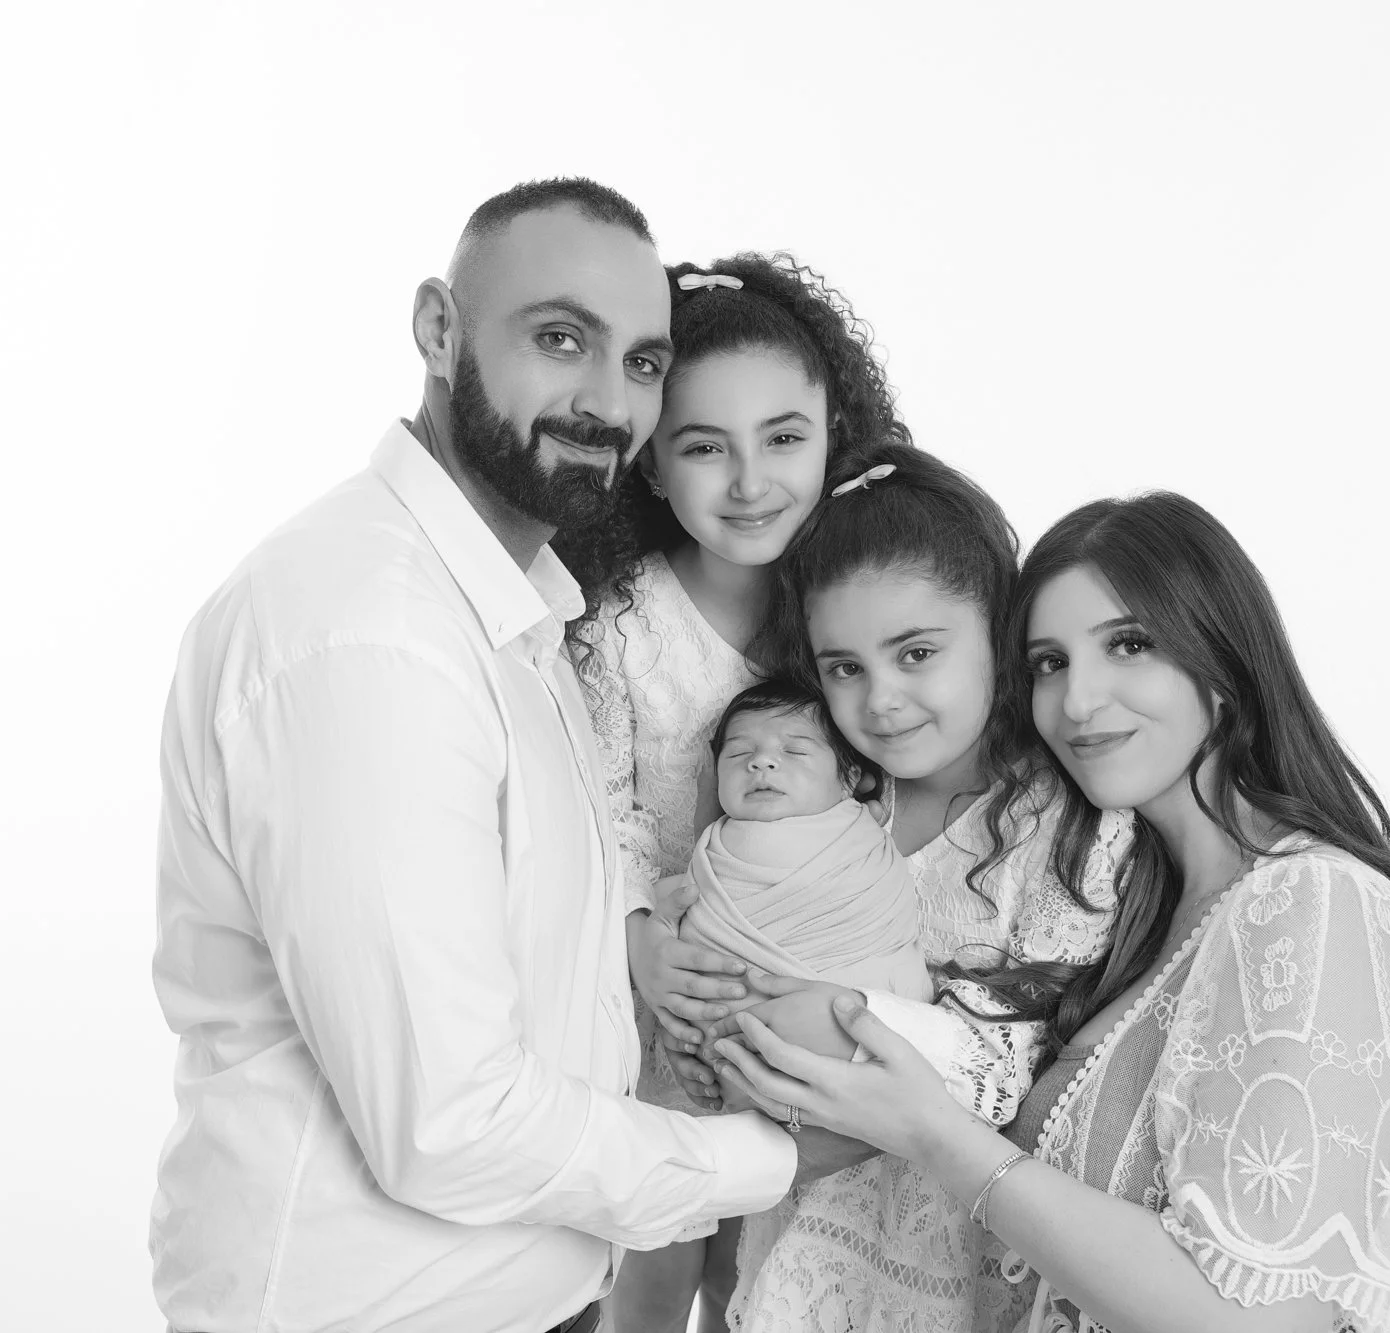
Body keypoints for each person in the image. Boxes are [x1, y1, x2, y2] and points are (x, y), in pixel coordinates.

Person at [147, 178, 855, 1333]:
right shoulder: (372, 636)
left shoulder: (507, 612)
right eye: (559, 338)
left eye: (638, 363)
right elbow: (450, 1121)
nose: (604, 400)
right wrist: (776, 1156)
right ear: (438, 328)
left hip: (527, 1291)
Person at [711, 492, 1390, 1333]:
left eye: (1129, 645)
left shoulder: (1313, 902)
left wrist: (932, 1130)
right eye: (1049, 662)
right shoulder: (1138, 911)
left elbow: (1266, 1320)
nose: (1077, 700)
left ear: (1222, 655)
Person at [658, 443, 1127, 1332]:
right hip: (788, 1250)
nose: (880, 699)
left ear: (998, 629)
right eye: (845, 667)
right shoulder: (826, 797)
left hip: (954, 1270)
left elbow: (1040, 1069)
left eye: (916, 653)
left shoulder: (1058, 823)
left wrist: (836, 1012)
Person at [549, 252, 909, 1333]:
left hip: (817, 999)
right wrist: (639, 936)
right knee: (651, 1249)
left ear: (831, 438)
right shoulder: (617, 626)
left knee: (763, 1266)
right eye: (704, 447)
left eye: (783, 439)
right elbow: (585, 806)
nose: (749, 483)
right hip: (663, 993)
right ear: (650, 463)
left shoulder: (851, 614)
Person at [682, 679, 930, 1008]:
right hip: (733, 1011)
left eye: (795, 751)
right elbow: (693, 915)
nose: (760, 763)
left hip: (861, 1009)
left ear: (849, 779)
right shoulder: (713, 847)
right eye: (740, 752)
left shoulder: (862, 839)